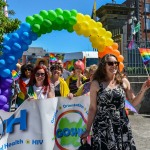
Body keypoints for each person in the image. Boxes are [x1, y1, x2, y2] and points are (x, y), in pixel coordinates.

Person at [81, 54, 150, 150]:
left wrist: (143, 90)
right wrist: (87, 130)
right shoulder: (96, 84)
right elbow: (93, 108)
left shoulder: (124, 82)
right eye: (110, 63)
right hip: (102, 126)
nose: (114, 65)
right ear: (103, 66)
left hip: (121, 124)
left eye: (116, 63)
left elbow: (133, 103)